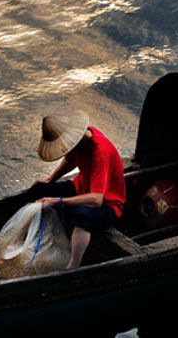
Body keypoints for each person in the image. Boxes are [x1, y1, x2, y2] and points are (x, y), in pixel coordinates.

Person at [32, 110, 126, 269]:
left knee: (82, 215)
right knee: (38, 190)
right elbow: (69, 161)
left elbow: (96, 200)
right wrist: (50, 180)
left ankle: (73, 265)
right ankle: (20, 244)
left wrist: (58, 200)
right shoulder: (81, 139)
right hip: (82, 188)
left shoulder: (100, 152)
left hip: (108, 204)